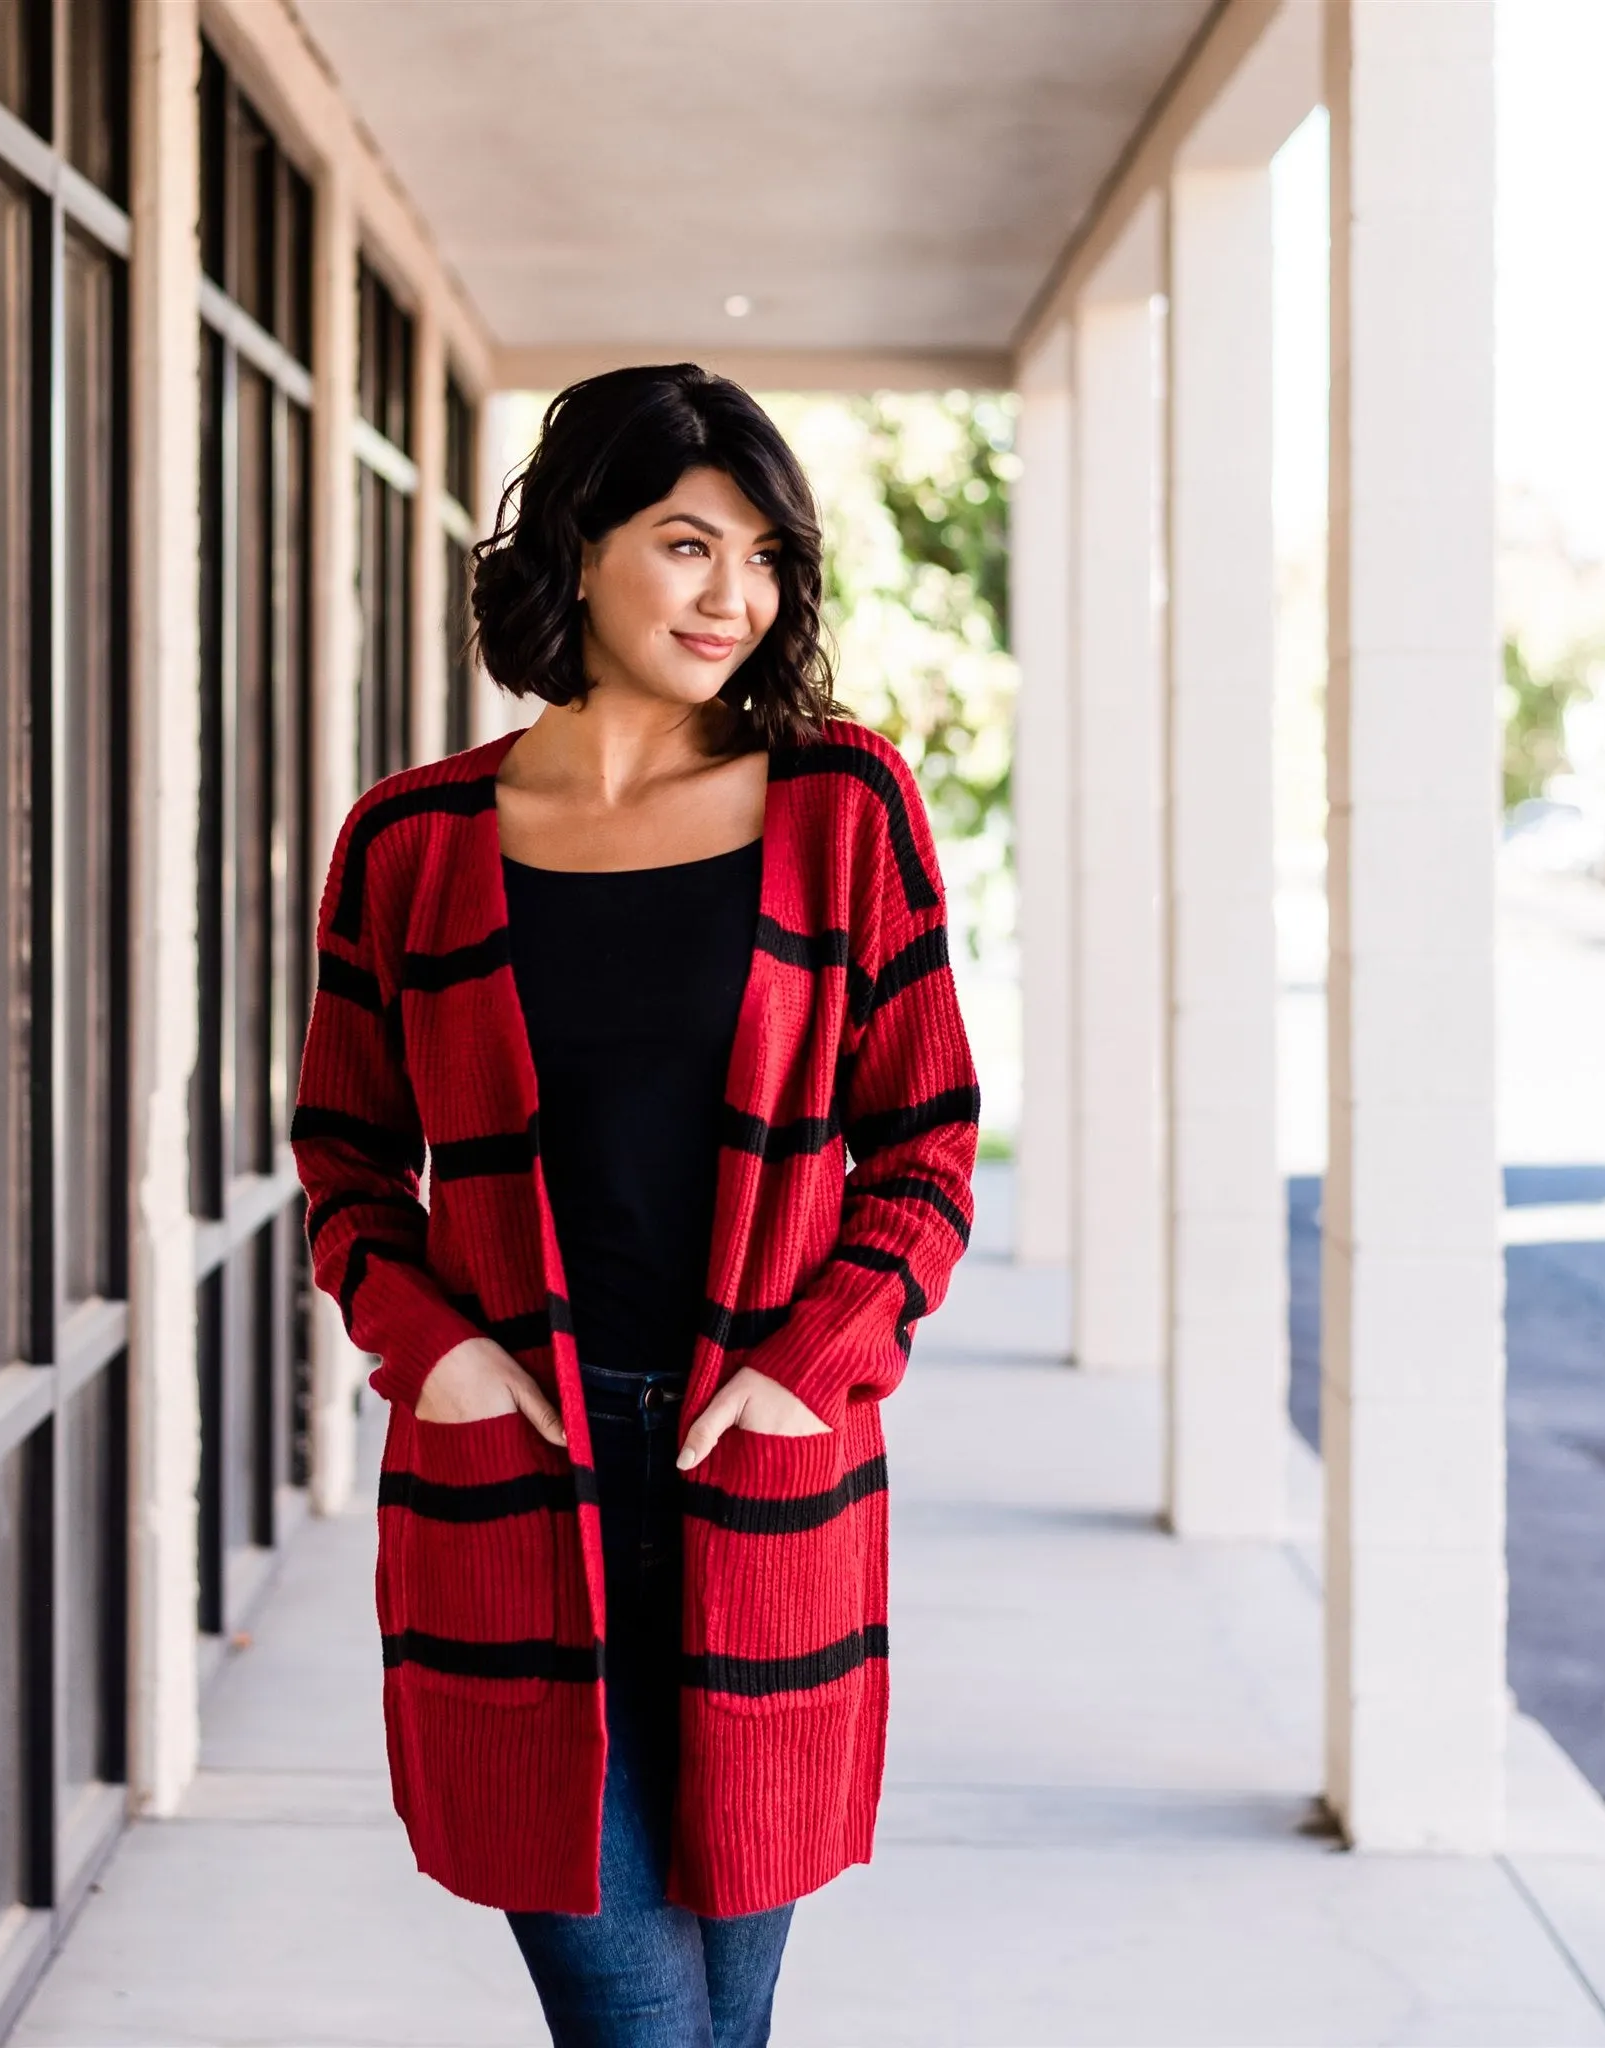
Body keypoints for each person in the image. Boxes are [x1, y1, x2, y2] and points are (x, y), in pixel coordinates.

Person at [291, 363, 979, 2046]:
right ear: (580, 544)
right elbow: (346, 1158)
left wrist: (806, 1364)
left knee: (717, 2022)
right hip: (518, 1469)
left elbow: (928, 1149)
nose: (732, 597)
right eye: (687, 544)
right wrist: (433, 1354)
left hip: (766, 1469)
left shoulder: (847, 808)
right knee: (636, 2022)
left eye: (762, 559)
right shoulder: (411, 843)